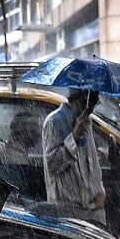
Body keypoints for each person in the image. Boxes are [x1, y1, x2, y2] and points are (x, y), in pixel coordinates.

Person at [42, 89, 106, 225]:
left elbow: (92, 162)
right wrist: (74, 137)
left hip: (92, 210)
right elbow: (53, 165)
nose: (89, 110)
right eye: (86, 104)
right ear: (75, 100)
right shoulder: (54, 122)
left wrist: (99, 190)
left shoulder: (86, 121)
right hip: (67, 210)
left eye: (93, 105)